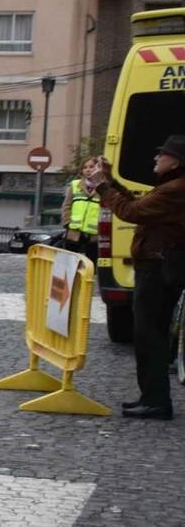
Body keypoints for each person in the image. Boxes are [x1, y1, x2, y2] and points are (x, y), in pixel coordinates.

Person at [87, 135, 185, 420]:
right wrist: (109, 182)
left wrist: (103, 186)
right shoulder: (170, 187)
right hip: (157, 265)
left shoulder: (176, 189)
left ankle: (156, 402)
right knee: (147, 333)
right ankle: (151, 397)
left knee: (149, 334)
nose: (156, 158)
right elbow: (137, 206)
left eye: (162, 155)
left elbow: (131, 212)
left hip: (159, 268)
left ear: (176, 162)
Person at [62, 163, 102, 261]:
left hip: (94, 233)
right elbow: (67, 205)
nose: (88, 170)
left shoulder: (103, 187)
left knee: (92, 263)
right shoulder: (75, 184)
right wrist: (67, 223)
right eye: (85, 167)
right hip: (74, 231)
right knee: (70, 262)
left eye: (91, 167)